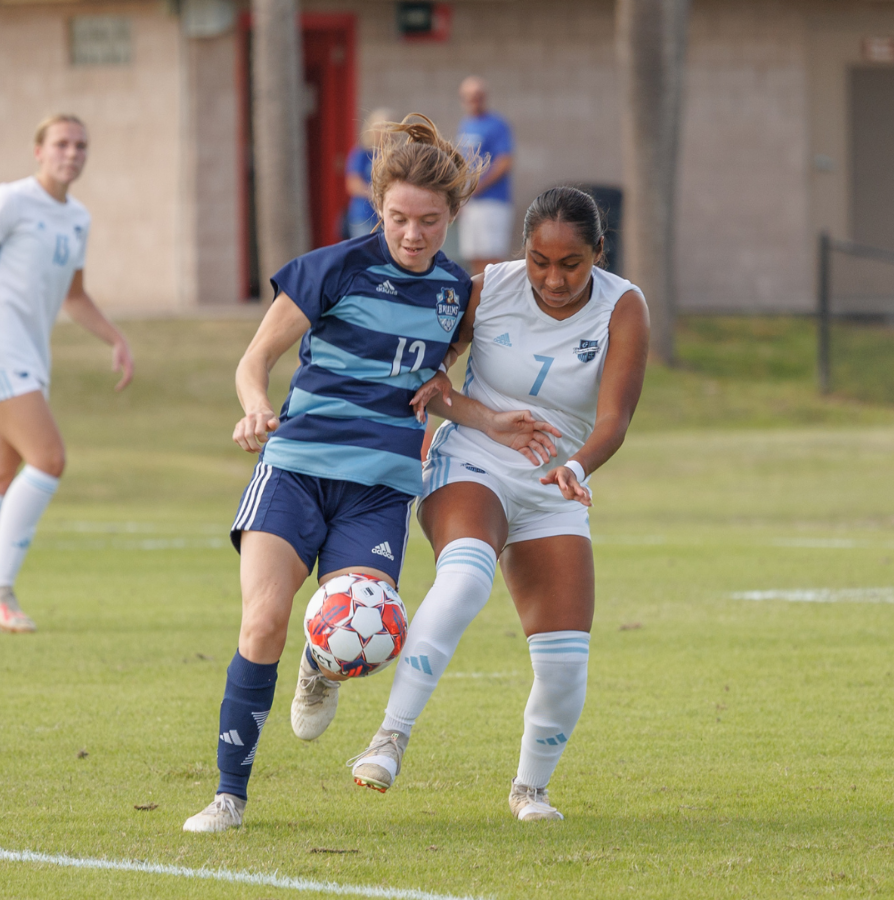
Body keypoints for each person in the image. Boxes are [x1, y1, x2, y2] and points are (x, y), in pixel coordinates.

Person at [181, 114, 559, 835]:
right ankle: (229, 796)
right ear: (377, 206)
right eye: (397, 218)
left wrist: (488, 418)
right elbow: (253, 360)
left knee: (370, 634)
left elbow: (430, 389)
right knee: (262, 621)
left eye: (428, 221)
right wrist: (256, 409)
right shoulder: (334, 267)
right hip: (295, 470)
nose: (412, 234)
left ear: (451, 216)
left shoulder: (454, 292)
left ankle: (323, 663)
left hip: (381, 488)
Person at [348, 186, 649, 822]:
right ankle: (389, 738)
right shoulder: (488, 287)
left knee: (566, 665)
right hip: (473, 461)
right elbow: (435, 374)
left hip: (554, 483)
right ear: (525, 252)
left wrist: (575, 465)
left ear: (599, 252)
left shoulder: (624, 307)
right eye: (541, 261)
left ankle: (529, 790)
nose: (554, 279)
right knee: (463, 580)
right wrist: (462, 396)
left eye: (571, 264)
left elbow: (614, 419)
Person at [0, 114, 134, 635]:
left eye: (81, 145)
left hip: (30, 360)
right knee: (48, 459)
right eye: (61, 143)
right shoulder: (9, 200)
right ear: (39, 151)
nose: (72, 153)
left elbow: (74, 295)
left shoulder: (77, 218)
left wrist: (114, 338)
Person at [455, 76, 515, 275]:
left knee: (492, 257)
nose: (474, 101)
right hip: (471, 203)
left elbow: (504, 161)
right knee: (473, 255)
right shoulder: (465, 124)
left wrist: (479, 185)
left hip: (491, 201)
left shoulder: (496, 124)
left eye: (478, 96)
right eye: (469, 96)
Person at [344, 108, 393, 239]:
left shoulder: (392, 154)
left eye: (388, 128)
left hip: (388, 216)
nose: (385, 132)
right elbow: (353, 184)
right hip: (364, 216)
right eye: (381, 128)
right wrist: (376, 195)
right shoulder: (361, 153)